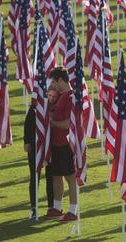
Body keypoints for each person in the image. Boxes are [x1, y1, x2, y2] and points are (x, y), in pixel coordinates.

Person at [47, 66, 78, 222]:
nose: (53, 84)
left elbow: (68, 123)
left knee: (70, 177)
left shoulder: (70, 97)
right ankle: (57, 207)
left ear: (60, 80)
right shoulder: (60, 96)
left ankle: (73, 210)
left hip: (66, 143)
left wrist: (52, 123)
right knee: (56, 176)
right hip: (56, 143)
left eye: (54, 81)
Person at [24, 86, 59, 220]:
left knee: (50, 176)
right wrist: (26, 142)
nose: (51, 98)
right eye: (49, 95)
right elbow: (27, 124)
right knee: (34, 176)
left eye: (54, 96)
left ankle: (51, 206)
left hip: (50, 147)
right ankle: (34, 208)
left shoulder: (56, 109)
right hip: (34, 146)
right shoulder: (35, 109)